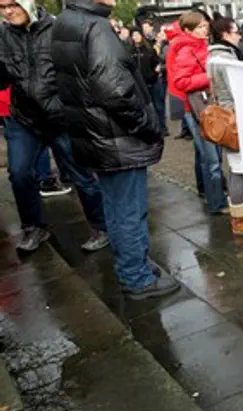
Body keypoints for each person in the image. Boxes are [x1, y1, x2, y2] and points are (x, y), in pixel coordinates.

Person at [52, 0, 180, 299]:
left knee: (115, 208)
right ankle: (136, 277)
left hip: (95, 135)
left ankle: (133, 266)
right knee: (128, 211)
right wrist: (148, 125)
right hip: (115, 137)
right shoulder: (94, 27)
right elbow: (116, 91)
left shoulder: (67, 20)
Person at [0, 0, 109, 253]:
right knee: (19, 173)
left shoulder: (57, 29)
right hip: (24, 118)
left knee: (82, 175)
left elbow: (80, 70)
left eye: (13, 4)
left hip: (60, 118)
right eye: (2, 6)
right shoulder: (2, 35)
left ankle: (101, 225)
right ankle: (33, 227)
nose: (7, 11)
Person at [170, 11, 229, 215]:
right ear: (188, 30)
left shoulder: (202, 45)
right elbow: (181, 81)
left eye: (206, 26)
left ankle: (210, 192)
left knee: (205, 155)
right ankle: (217, 202)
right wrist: (208, 77)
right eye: (201, 27)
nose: (206, 30)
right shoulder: (186, 49)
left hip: (205, 108)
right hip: (198, 109)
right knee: (212, 158)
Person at [208, 17, 243, 236]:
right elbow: (236, 91)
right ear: (225, 34)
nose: (239, 35)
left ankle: (240, 216)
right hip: (233, 118)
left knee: (236, 167)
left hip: (228, 116)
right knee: (239, 169)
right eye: (235, 31)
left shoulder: (214, 56)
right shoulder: (224, 59)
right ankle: (240, 219)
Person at [130, 28, 165, 137]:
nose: (136, 37)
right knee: (147, 107)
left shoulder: (149, 49)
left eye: (137, 34)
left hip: (153, 81)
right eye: (133, 35)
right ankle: (153, 128)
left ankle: (163, 127)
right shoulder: (130, 52)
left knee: (158, 105)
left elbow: (158, 62)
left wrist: (157, 70)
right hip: (140, 84)